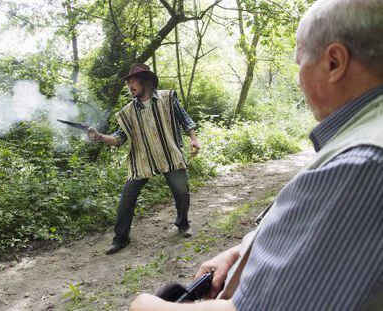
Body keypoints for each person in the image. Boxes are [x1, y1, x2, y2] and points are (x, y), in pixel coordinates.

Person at [129, 0, 383, 309]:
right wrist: (242, 250)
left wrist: (144, 305)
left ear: (334, 62)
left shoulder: (360, 166)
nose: (298, 77)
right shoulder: (361, 146)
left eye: (299, 61)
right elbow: (334, 246)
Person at [88, 63, 200, 255]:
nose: (130, 85)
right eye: (128, 82)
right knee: (127, 197)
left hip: (169, 155)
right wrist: (100, 137)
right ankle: (120, 238)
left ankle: (183, 223)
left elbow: (185, 119)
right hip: (142, 160)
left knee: (182, 192)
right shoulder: (128, 112)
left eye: (133, 81)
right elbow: (119, 138)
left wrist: (194, 139)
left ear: (145, 82)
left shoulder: (167, 98)